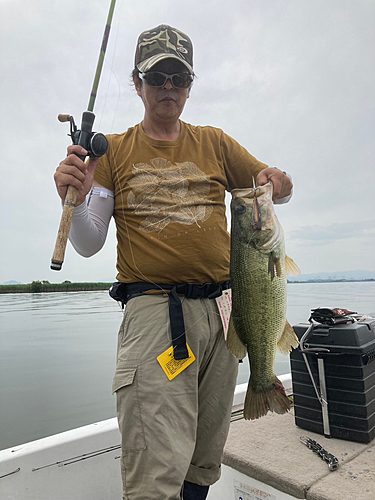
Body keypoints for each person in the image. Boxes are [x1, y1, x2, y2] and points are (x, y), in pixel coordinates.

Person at [54, 25, 293, 500]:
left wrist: (279, 181)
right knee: (156, 468)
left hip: (226, 312)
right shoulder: (114, 151)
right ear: (137, 83)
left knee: (203, 458)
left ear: (189, 85)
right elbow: (88, 241)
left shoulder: (215, 143)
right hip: (156, 315)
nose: (168, 87)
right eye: (158, 75)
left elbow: (275, 191)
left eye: (178, 77)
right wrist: (77, 199)